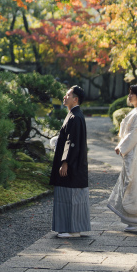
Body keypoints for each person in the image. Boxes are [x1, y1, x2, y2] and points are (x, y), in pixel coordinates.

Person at [107, 84, 137, 232]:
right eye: (129, 93)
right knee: (136, 184)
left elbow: (134, 135)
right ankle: (136, 220)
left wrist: (121, 147)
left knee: (134, 185)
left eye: (132, 93)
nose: (129, 96)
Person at [49, 85, 90, 238]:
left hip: (72, 165)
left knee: (70, 196)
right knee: (70, 196)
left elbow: (71, 142)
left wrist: (65, 162)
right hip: (75, 164)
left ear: (75, 99)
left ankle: (73, 230)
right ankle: (71, 228)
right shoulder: (74, 115)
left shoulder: (75, 116)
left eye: (68, 95)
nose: (65, 97)